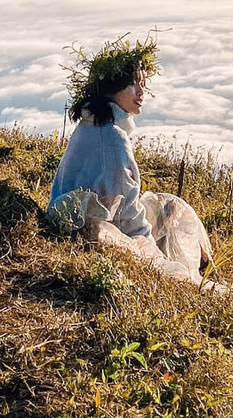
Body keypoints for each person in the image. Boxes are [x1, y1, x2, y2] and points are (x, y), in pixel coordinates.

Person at [47, 38, 213, 284]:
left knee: (169, 203)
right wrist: (153, 251)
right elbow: (126, 212)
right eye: (131, 85)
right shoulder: (112, 139)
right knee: (171, 211)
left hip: (74, 222)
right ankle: (197, 272)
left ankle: (198, 267)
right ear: (112, 89)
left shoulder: (91, 124)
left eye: (142, 84)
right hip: (99, 232)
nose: (141, 92)